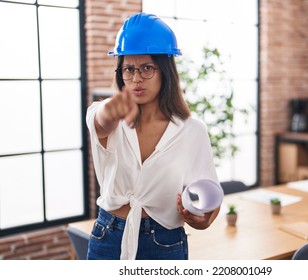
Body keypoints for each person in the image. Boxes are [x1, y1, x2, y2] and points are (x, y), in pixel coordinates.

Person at [85, 12, 221, 260]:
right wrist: (112, 109)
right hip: (109, 237)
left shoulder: (192, 131)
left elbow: (209, 196)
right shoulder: (109, 118)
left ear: (165, 70)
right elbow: (100, 121)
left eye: (147, 68)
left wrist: (200, 219)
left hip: (165, 242)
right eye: (128, 69)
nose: (136, 78)